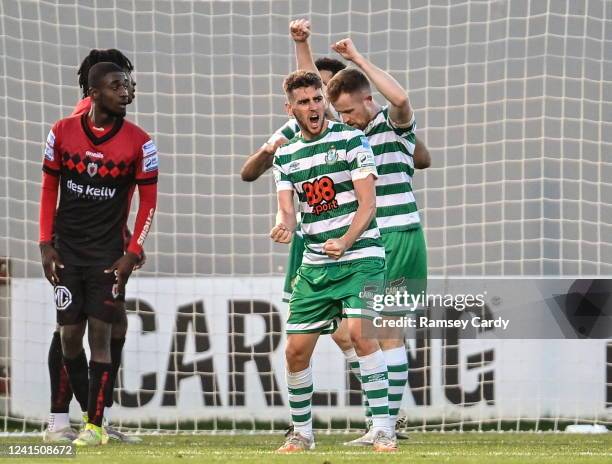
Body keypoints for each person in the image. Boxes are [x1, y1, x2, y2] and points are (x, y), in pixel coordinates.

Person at [272, 70, 396, 453]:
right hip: (316, 264)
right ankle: (302, 434)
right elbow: (288, 212)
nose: (313, 107)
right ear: (289, 107)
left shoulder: (351, 139)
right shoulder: (285, 154)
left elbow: (368, 204)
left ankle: (384, 429)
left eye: (316, 99)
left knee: (362, 335)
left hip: (361, 256)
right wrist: (282, 225)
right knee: (295, 351)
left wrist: (344, 240)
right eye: (304, 101)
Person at [39, 62, 158, 446]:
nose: (127, 91)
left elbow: (148, 201)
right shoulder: (62, 131)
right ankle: (70, 417)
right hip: (67, 250)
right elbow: (48, 189)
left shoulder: (141, 142)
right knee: (69, 336)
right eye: (117, 85)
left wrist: (133, 250)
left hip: (108, 254)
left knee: (104, 334)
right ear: (93, 92)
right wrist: (45, 243)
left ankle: (93, 424)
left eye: (128, 84)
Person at [327, 38, 429, 446]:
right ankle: (381, 424)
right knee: (359, 332)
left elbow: (401, 98)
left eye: (350, 110)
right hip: (367, 242)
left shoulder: (393, 125)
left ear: (368, 100)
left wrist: (355, 59)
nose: (346, 119)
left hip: (400, 236)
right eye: (341, 113)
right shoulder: (348, 138)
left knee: (384, 329)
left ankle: (385, 426)